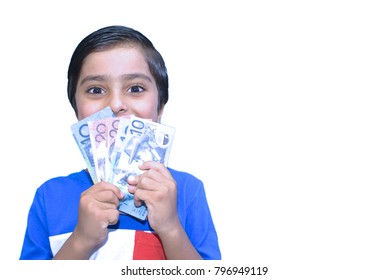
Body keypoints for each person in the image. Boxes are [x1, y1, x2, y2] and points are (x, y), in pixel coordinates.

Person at [19, 25, 221, 260]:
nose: (116, 104)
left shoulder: (186, 190)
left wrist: (170, 227)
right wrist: (81, 240)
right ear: (76, 110)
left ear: (161, 106)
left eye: (136, 88)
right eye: (95, 90)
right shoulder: (49, 196)